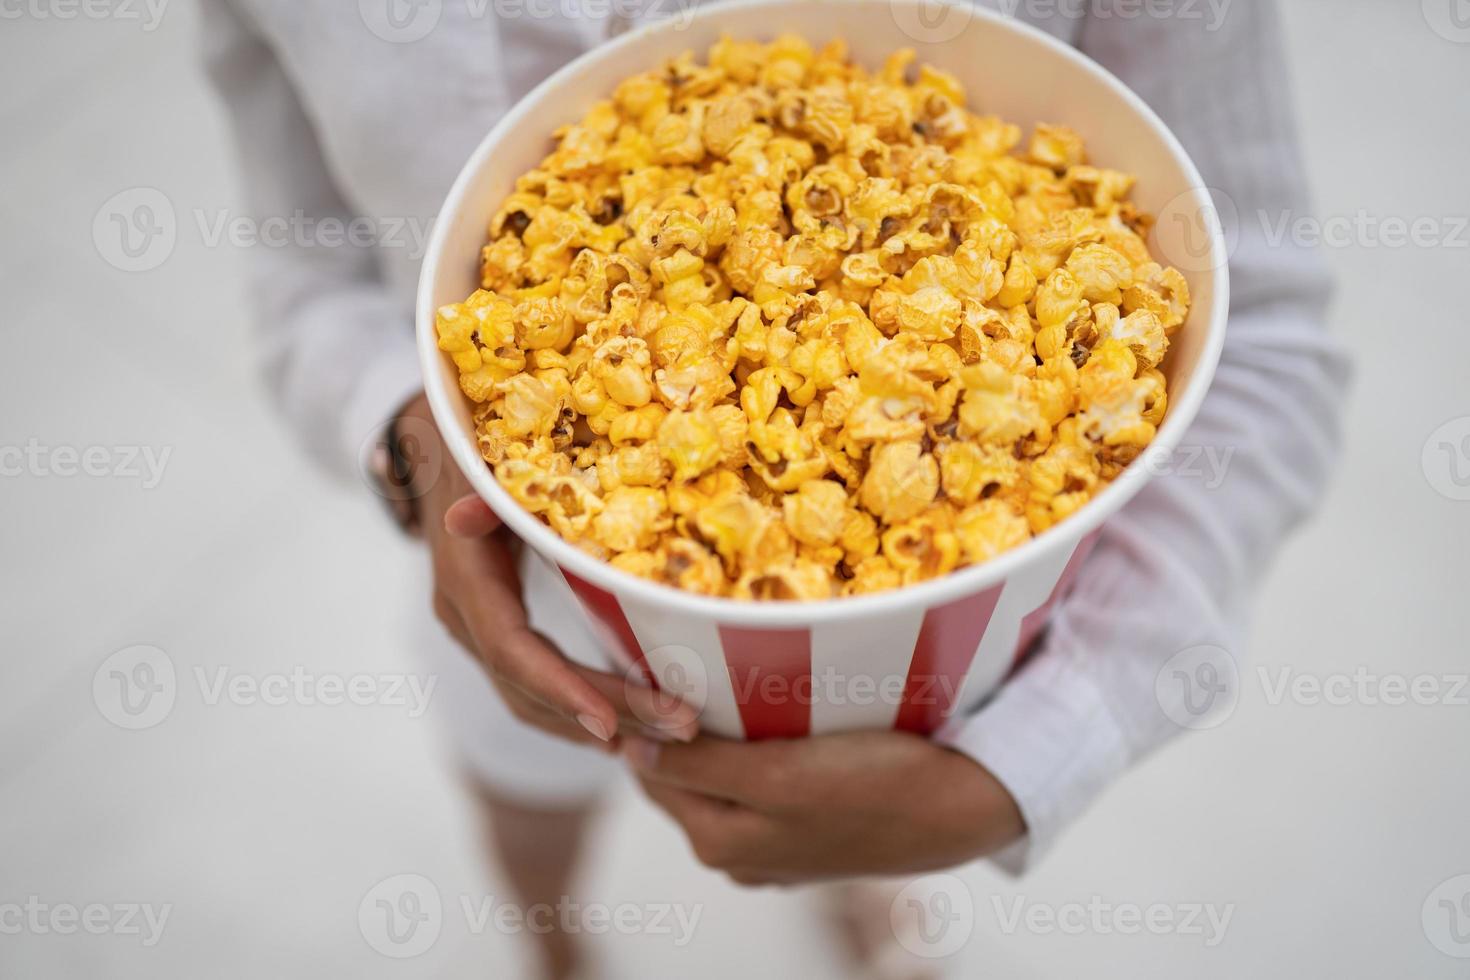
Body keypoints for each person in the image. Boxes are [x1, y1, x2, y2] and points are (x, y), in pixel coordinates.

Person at [201, 1, 1347, 975]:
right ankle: (557, 947)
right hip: (514, 602)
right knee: (524, 797)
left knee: (852, 823)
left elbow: (1265, 333)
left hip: (915, 679)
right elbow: (303, 278)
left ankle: (860, 893)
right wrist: (407, 439)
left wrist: (1020, 765)